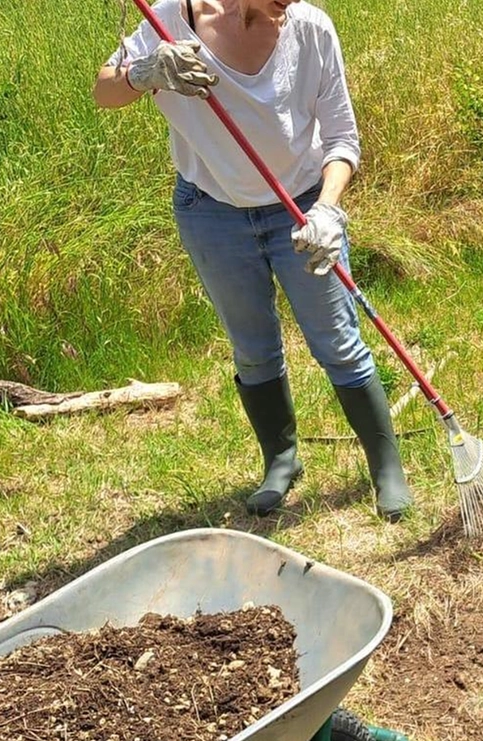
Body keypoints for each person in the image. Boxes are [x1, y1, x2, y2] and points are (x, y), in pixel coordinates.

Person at [93, 0, 411, 520]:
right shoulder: (172, 18)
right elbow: (104, 91)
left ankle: (385, 465)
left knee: (337, 342)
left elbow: (341, 138)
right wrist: (146, 72)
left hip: (302, 207)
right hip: (211, 211)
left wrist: (328, 211)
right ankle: (281, 460)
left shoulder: (310, 29)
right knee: (253, 348)